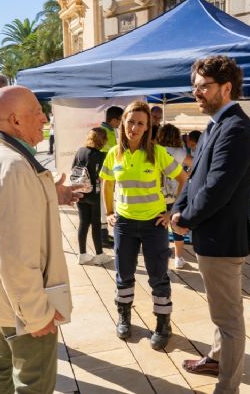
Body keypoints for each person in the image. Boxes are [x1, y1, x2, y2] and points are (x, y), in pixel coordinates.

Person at [0, 86, 79, 393]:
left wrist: (53, 193)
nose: (44, 117)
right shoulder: (12, 167)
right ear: (15, 120)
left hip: (0, 299)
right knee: (32, 382)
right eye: (36, 111)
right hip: (22, 306)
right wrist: (37, 315)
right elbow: (16, 256)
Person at [171, 55, 250, 393]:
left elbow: (217, 188)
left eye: (203, 87)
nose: (197, 93)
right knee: (222, 312)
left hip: (223, 239)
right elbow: (195, 179)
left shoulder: (237, 129)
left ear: (226, 88)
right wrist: (179, 208)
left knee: (229, 320)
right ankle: (215, 360)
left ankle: (228, 386)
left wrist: (186, 219)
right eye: (194, 87)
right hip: (212, 236)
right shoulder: (216, 125)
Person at [99, 101, 187, 350]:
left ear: (148, 128)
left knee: (158, 276)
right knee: (124, 274)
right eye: (130, 121)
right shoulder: (113, 153)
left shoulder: (157, 152)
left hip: (153, 224)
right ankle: (124, 316)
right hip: (124, 223)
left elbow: (184, 179)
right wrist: (108, 213)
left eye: (140, 123)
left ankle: (163, 323)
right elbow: (106, 183)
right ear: (123, 122)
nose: (134, 127)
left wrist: (171, 212)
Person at [73, 127, 113, 265]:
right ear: (102, 140)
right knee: (96, 224)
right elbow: (104, 177)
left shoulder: (80, 151)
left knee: (83, 223)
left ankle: (82, 254)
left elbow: (74, 169)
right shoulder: (101, 156)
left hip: (79, 191)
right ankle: (99, 254)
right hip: (94, 194)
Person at [157, 123, 193, 269]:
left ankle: (161, 255)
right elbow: (195, 163)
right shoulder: (179, 152)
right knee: (176, 224)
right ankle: (178, 257)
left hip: (157, 194)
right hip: (176, 193)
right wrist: (187, 175)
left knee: (160, 226)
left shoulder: (156, 150)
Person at [100, 105, 125, 248]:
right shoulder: (106, 131)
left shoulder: (109, 130)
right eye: (120, 121)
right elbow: (109, 152)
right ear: (114, 120)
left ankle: (104, 233)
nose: (120, 124)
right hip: (105, 173)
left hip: (108, 172)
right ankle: (103, 234)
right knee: (103, 205)